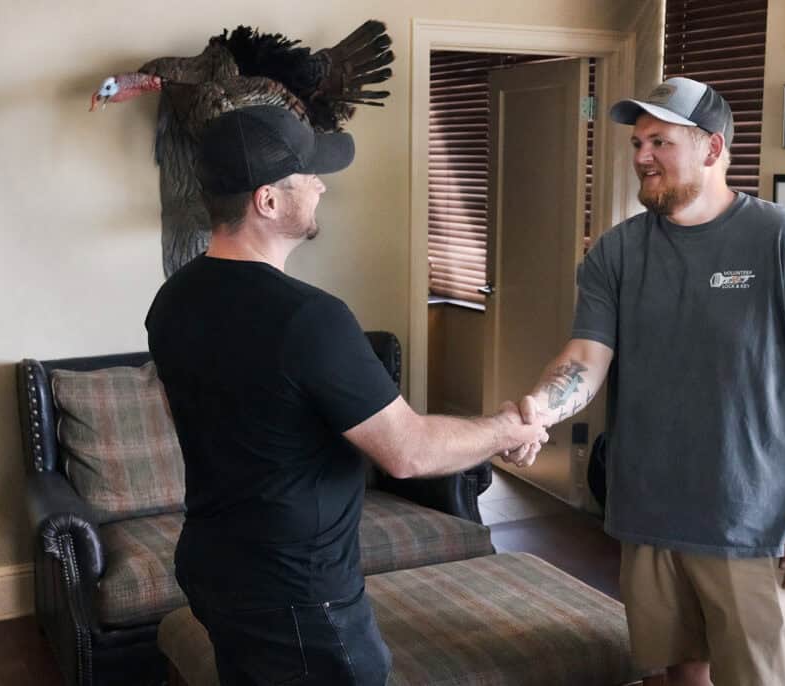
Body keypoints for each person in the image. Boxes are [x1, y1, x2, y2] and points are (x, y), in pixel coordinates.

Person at [145, 105, 547, 686]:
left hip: (213, 564)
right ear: (268, 201)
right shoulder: (310, 319)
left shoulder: (173, 300)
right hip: (298, 594)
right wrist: (508, 429)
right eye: (307, 173)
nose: (321, 184)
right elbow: (408, 452)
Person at [510, 77, 785, 686]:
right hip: (649, 515)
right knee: (673, 677)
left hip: (754, 525)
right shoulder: (616, 253)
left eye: (660, 141)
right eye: (637, 142)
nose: (642, 156)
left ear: (711, 147)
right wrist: (538, 411)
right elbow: (587, 356)